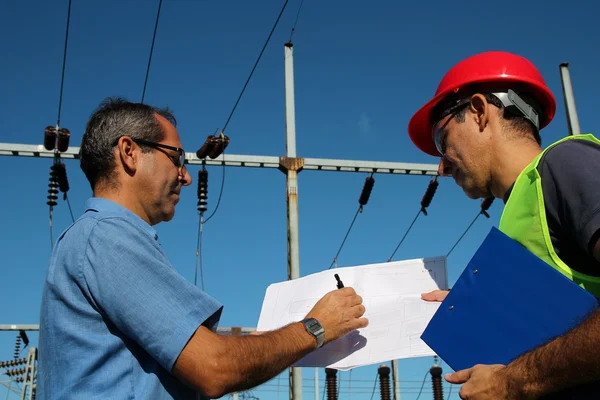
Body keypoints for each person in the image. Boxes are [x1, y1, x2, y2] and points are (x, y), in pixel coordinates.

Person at [37, 98, 368, 399]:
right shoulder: (105, 238)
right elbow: (215, 367)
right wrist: (314, 328)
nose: (186, 176)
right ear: (129, 152)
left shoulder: (97, 240)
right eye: (177, 157)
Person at [408, 51, 600, 399]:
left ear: (479, 112)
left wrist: (515, 381)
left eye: (442, 140)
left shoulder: (565, 164)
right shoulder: (525, 203)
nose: (441, 167)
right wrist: (485, 309)